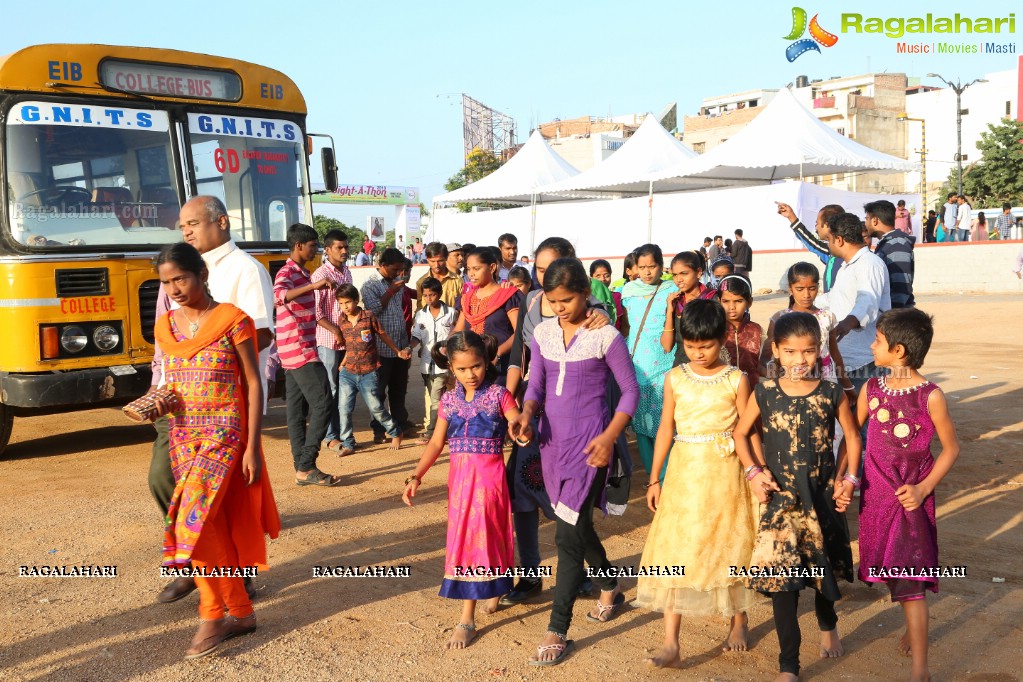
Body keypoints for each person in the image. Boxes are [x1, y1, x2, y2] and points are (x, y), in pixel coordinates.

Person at [508, 258, 639, 666]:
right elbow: (537, 385)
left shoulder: (606, 336)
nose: (560, 307)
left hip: (590, 446)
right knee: (576, 526)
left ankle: (557, 628)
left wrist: (609, 437)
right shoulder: (544, 333)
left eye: (568, 299)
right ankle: (610, 585)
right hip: (551, 445)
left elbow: (631, 392)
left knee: (566, 538)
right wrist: (527, 415)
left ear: (586, 293)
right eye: (553, 300)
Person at [155, 242, 280, 659]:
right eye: (166, 281)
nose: (174, 288)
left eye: (181, 278)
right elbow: (171, 379)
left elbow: (255, 381)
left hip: (225, 431)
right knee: (206, 524)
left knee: (194, 519)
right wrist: (157, 399)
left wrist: (252, 447)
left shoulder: (232, 319)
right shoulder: (165, 325)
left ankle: (212, 612)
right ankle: (240, 611)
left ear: (201, 276)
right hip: (182, 434)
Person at [734, 312, 862, 682]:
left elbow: (853, 437)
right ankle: (788, 665)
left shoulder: (832, 392)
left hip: (821, 498)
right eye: (790, 352)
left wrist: (850, 478)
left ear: (819, 351)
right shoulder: (765, 392)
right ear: (776, 351)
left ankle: (828, 624)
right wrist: (754, 473)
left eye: (808, 352)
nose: (799, 360)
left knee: (823, 575)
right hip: (781, 503)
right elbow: (741, 434)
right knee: (783, 586)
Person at [636, 299, 758, 669]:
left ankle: (739, 620)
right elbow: (665, 429)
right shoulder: (675, 378)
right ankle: (671, 641)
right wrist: (654, 478)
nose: (698, 353)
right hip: (684, 475)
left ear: (722, 339)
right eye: (690, 346)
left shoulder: (738, 379)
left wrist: (758, 473)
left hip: (727, 475)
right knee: (677, 548)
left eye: (705, 345)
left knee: (732, 544)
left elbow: (748, 430)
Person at [503, 237, 611, 606]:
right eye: (540, 269)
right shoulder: (532, 302)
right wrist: (512, 406)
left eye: (553, 269)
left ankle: (580, 572)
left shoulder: (594, 309)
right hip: (534, 415)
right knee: (521, 492)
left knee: (567, 507)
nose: (546, 276)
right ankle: (531, 575)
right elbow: (519, 356)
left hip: (575, 423)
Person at [857, 308, 960, 682]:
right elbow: (853, 438)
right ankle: (910, 626)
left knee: (910, 571)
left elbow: (950, 449)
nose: (872, 344)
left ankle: (921, 669)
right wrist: (846, 478)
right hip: (876, 496)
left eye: (879, 340)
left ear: (898, 350)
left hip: (909, 496)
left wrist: (923, 487)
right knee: (891, 566)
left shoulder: (931, 397)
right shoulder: (870, 389)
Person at [402, 332, 521, 649]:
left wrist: (520, 426)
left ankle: (466, 618)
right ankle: (491, 591)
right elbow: (437, 443)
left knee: (485, 539)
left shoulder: (499, 395)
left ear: (486, 361)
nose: (472, 374)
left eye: (478, 366)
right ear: (451, 369)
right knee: (469, 542)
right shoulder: (449, 401)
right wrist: (415, 475)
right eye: (463, 369)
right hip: (460, 486)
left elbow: (516, 421)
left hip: (490, 483)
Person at [274, 224, 340, 487]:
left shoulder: (302, 272)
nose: (316, 250)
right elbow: (279, 295)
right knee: (324, 402)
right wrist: (314, 286)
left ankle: (301, 468)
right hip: (299, 349)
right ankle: (306, 464)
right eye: (313, 245)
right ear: (299, 246)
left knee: (296, 412)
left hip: (295, 350)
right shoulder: (288, 271)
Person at [621, 244, 676, 479]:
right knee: (642, 427)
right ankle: (655, 477)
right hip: (637, 367)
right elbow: (624, 328)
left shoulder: (672, 289)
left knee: (665, 425)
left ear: (661, 266)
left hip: (665, 365)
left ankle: (667, 478)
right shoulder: (628, 292)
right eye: (642, 267)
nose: (646, 272)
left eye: (651, 266)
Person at [332, 284, 407, 455]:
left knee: (376, 408)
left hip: (369, 372)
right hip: (347, 372)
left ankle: (396, 432)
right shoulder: (341, 320)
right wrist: (343, 363)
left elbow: (383, 335)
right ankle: (348, 443)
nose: (345, 307)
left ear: (356, 301)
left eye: (348, 303)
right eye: (341, 303)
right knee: (343, 409)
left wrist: (397, 351)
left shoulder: (368, 316)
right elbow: (350, 346)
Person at [762, 262, 856, 397]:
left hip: (826, 380)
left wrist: (847, 386)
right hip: (792, 384)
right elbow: (766, 360)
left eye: (811, 288)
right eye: (800, 289)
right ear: (790, 288)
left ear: (818, 287)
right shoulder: (779, 319)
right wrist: (779, 381)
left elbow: (834, 354)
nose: (806, 294)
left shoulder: (827, 317)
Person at [827, 213, 891, 400]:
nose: (828, 244)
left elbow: (867, 300)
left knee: (869, 420)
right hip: (846, 360)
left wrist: (847, 324)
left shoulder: (869, 263)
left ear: (839, 240)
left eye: (829, 240)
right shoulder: (847, 267)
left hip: (865, 360)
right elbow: (833, 299)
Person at [361, 248, 416, 440]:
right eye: (395, 269)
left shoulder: (396, 282)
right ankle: (378, 429)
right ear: (383, 266)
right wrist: (391, 291)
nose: (398, 273)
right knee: (378, 391)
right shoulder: (370, 285)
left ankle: (400, 425)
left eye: (401, 269)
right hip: (381, 347)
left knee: (399, 389)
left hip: (400, 344)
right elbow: (373, 310)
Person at [452, 247, 521, 382]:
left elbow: (520, 332)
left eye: (476, 269)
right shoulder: (466, 298)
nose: (471, 274)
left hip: (499, 367)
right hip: (469, 368)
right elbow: (459, 330)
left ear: (492, 267)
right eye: (469, 269)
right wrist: (446, 346)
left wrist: (498, 353)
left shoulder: (508, 296)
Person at [311, 229, 352, 453]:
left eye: (346, 246)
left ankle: (344, 434)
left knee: (344, 388)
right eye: (339, 247)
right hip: (328, 340)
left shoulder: (346, 273)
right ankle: (330, 436)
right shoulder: (319, 275)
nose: (344, 251)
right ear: (327, 250)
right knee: (331, 388)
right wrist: (336, 331)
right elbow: (316, 314)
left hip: (344, 339)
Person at [410, 277, 457, 445]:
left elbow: (457, 333)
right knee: (436, 397)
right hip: (426, 364)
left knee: (437, 398)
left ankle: (432, 432)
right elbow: (416, 336)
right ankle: (445, 431)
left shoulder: (451, 313)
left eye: (432, 295)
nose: (429, 298)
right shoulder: (421, 315)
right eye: (426, 295)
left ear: (439, 294)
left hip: (445, 364)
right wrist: (410, 347)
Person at [776, 201, 845, 295]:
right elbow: (811, 242)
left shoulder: (846, 256)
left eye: (817, 223)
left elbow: (811, 242)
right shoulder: (831, 254)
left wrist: (792, 217)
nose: (816, 228)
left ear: (827, 225)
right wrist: (791, 217)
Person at [665, 250, 717, 368]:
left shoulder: (713, 299)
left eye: (684, 273)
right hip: (682, 369)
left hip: (709, 368)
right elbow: (667, 346)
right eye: (675, 275)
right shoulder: (675, 302)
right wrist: (669, 312)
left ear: (698, 272)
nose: (678, 279)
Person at [865, 200, 915, 309]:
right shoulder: (888, 243)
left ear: (875, 220)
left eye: (867, 219)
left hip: (896, 317)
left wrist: (891, 317)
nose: (866, 224)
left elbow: (900, 287)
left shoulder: (896, 244)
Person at [717, 275, 763, 385]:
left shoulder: (757, 331)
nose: (732, 307)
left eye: (738, 301)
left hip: (751, 390)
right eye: (726, 301)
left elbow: (760, 364)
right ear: (719, 301)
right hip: (722, 391)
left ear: (749, 302)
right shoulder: (715, 330)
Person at [416, 242, 464, 309]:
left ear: (446, 258)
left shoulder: (457, 281)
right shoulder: (421, 282)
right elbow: (420, 307)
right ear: (427, 259)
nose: (437, 265)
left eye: (440, 261)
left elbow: (462, 307)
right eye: (432, 261)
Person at [590, 259, 625, 332]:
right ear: (591, 277)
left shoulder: (617, 296)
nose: (603, 279)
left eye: (606, 275)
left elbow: (622, 322)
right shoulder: (588, 298)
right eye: (598, 276)